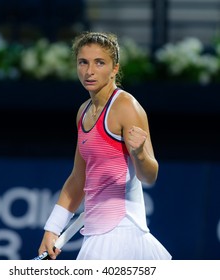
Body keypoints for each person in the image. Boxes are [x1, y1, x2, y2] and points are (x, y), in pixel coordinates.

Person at [38, 31, 172, 260]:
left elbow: (150, 176)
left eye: (99, 63)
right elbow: (79, 178)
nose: (89, 71)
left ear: (115, 69)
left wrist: (139, 154)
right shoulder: (83, 112)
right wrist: (52, 229)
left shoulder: (126, 106)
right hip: (97, 235)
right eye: (83, 62)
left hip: (123, 233)